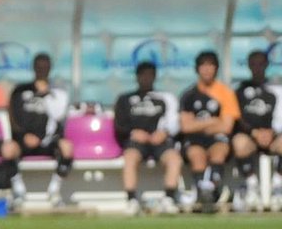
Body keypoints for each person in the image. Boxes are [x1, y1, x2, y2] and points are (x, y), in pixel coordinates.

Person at [0, 53, 73, 208]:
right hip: (24, 140)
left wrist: (46, 95)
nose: (42, 70)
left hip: (48, 140)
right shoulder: (20, 91)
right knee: (8, 149)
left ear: (50, 69)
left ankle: (54, 191)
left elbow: (59, 117)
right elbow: (12, 116)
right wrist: (23, 135)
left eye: (45, 67)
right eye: (39, 67)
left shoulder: (57, 93)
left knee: (67, 147)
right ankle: (18, 191)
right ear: (33, 68)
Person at [114, 61, 183, 215]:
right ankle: (132, 200)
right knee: (130, 157)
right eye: (143, 75)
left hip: (160, 140)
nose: (146, 78)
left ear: (154, 77)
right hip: (136, 141)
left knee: (174, 158)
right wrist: (133, 132)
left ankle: (169, 199)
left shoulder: (165, 98)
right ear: (137, 77)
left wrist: (164, 133)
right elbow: (119, 125)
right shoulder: (125, 99)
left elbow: (174, 122)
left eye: (150, 75)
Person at [179, 50, 240, 212]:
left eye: (211, 65)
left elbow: (226, 126)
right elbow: (186, 126)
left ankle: (212, 190)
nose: (207, 70)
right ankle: (202, 192)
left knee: (219, 151)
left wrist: (199, 125)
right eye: (203, 66)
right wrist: (212, 121)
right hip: (195, 139)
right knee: (196, 154)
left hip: (217, 138)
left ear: (216, 68)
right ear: (197, 69)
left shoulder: (225, 93)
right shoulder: (189, 95)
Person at [230, 49, 282, 210]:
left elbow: (280, 115)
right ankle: (251, 185)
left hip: (272, 135)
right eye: (253, 64)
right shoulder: (239, 90)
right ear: (248, 66)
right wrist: (254, 132)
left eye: (260, 64)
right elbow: (237, 118)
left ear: (266, 65)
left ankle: (278, 186)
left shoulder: (277, 89)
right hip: (251, 136)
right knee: (239, 143)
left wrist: (271, 132)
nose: (257, 67)